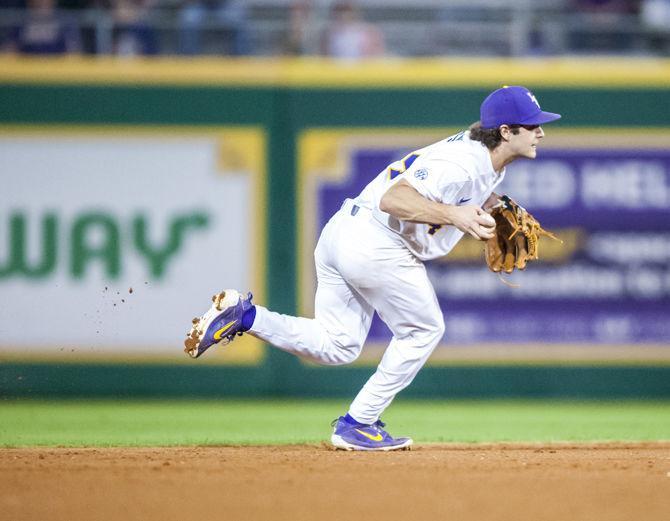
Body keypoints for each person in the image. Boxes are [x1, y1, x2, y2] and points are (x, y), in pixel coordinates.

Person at [184, 86, 562, 451]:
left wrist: (494, 204)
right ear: (506, 131)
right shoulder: (462, 163)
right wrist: (456, 215)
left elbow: (458, 189)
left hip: (344, 234)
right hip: (375, 240)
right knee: (424, 329)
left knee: (337, 346)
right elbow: (393, 198)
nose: (541, 133)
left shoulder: (484, 160)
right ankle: (359, 423)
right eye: (532, 126)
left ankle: (244, 315)